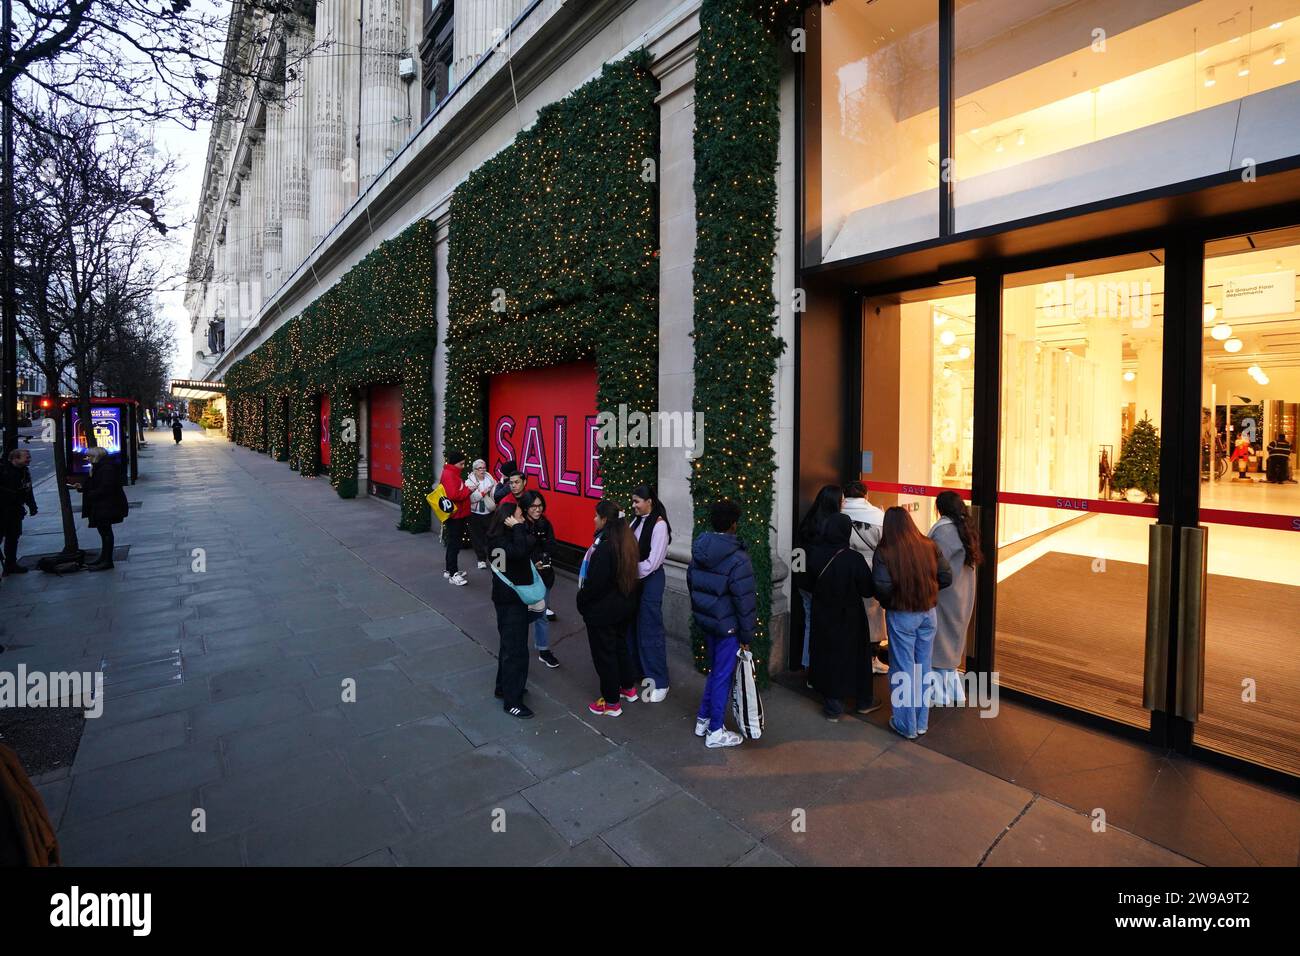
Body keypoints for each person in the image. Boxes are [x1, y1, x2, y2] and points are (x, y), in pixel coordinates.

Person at [874, 507, 952, 739]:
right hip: (928, 613)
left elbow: (881, 587)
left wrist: (895, 601)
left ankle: (905, 724)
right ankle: (921, 722)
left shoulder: (885, 550)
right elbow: (946, 576)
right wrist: (927, 591)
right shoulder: (928, 545)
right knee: (923, 666)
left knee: (903, 668)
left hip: (902, 615)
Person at [687, 499, 756, 748]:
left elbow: (691, 582)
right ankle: (715, 730)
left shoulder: (700, 548)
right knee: (722, 677)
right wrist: (747, 636)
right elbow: (745, 602)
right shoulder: (739, 558)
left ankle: (703, 719)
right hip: (728, 627)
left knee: (716, 672)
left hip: (709, 623)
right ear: (734, 525)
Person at [807, 513, 878, 722]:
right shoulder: (853, 558)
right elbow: (867, 589)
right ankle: (863, 700)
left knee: (827, 655)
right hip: (850, 616)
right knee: (855, 656)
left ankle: (833, 705)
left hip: (823, 613)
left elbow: (807, 581)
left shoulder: (814, 555)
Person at [578, 499, 641, 717]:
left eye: (596, 516)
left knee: (604, 655)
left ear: (605, 520)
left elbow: (595, 583)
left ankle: (611, 702)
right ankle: (628, 688)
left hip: (603, 611)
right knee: (620, 646)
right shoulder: (627, 541)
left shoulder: (605, 547)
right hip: (624, 608)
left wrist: (582, 600)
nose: (593, 519)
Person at [928, 491, 980, 706]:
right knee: (952, 643)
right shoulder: (966, 528)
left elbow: (934, 564)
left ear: (940, 508)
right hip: (963, 592)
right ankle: (955, 693)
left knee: (940, 644)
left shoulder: (944, 532)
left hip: (946, 594)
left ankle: (938, 695)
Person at [487, 501, 535, 719]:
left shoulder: (505, 538)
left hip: (513, 601)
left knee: (511, 647)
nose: (522, 518)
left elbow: (528, 545)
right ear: (507, 519)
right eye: (517, 516)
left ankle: (504, 686)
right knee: (515, 650)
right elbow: (518, 553)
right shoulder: (499, 542)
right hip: (510, 602)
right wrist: (517, 528)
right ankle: (512, 701)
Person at [794, 485, 844, 680]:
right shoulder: (831, 526)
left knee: (810, 623)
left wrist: (800, 579)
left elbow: (797, 553)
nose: (845, 503)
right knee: (825, 628)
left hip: (805, 583)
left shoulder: (808, 521)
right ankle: (821, 671)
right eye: (842, 499)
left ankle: (808, 665)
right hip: (821, 585)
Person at [627, 484, 671, 702]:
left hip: (650, 580)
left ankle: (659, 681)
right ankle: (639, 671)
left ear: (649, 502)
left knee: (650, 629)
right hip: (636, 580)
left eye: (637, 501)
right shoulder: (637, 521)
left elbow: (653, 562)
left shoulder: (660, 526)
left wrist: (627, 570)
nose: (633, 505)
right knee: (634, 627)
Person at [842, 480, 888, 674]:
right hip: (872, 567)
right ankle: (871, 659)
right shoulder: (878, 516)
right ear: (865, 495)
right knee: (874, 616)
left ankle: (851, 656)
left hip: (846, 567)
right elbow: (885, 543)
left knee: (850, 611)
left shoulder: (839, 514)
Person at [71, 447, 129, 571]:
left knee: (106, 532)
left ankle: (107, 560)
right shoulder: (100, 467)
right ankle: (104, 557)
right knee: (104, 532)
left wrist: (90, 494)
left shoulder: (106, 468)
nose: (87, 459)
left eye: (89, 456)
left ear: (96, 456)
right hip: (103, 504)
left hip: (107, 505)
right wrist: (82, 488)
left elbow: (106, 487)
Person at [519, 490, 559, 668]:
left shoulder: (545, 523)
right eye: (533, 506)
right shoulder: (519, 525)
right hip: (523, 579)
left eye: (540, 505)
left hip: (544, 577)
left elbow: (552, 545)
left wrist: (544, 555)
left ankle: (543, 650)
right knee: (521, 615)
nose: (537, 509)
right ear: (526, 508)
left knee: (541, 615)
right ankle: (517, 647)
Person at [0, 449, 38, 575]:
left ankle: (10, 564)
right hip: (3, 510)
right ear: (15, 459)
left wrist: (32, 506)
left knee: (13, 537)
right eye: (26, 457)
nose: (29, 459)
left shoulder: (24, 471)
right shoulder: (4, 471)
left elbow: (27, 489)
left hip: (15, 511)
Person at [439, 450, 472, 586]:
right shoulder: (450, 474)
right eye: (461, 463)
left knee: (453, 543)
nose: (463, 466)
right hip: (456, 515)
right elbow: (454, 495)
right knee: (454, 544)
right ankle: (453, 573)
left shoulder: (450, 473)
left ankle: (449, 570)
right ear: (455, 463)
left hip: (456, 514)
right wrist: (468, 490)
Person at [467, 459, 497, 569]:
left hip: (489, 513)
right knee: (477, 538)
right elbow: (472, 498)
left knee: (492, 537)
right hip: (475, 514)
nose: (483, 470)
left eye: (484, 467)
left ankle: (494, 559)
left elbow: (495, 494)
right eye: (480, 468)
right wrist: (484, 492)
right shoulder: (469, 482)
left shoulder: (491, 479)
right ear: (474, 470)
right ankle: (481, 559)